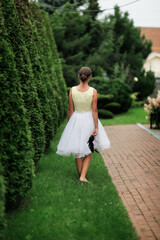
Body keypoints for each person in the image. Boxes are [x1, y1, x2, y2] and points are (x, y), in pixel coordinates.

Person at [56, 67, 110, 183]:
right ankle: (82, 177)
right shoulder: (93, 91)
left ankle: (81, 175)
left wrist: (70, 124)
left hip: (76, 119)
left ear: (78, 76)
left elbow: (70, 109)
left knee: (78, 150)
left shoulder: (72, 90)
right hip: (89, 120)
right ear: (90, 77)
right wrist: (96, 127)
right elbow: (94, 110)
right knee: (88, 148)